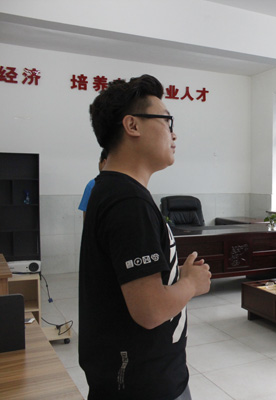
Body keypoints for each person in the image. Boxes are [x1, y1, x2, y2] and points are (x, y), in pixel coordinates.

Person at [79, 75, 212, 400]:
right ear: (132, 125)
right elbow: (150, 310)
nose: (173, 133)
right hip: (144, 385)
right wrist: (192, 283)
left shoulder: (109, 188)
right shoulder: (128, 201)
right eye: (166, 121)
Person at [78, 148, 108, 219]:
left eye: (99, 161)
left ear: (104, 162)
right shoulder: (126, 185)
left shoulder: (92, 185)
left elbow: (86, 216)